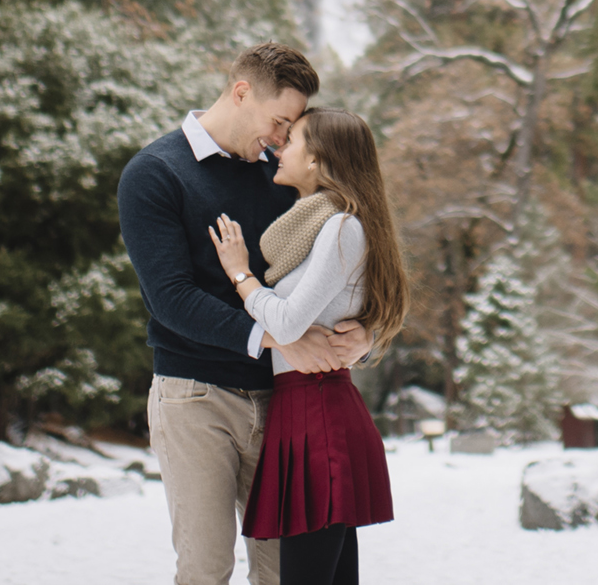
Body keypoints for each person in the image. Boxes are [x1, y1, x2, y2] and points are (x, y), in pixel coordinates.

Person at [119, 44, 374, 585]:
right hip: (195, 397)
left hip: (285, 403)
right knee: (206, 568)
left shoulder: (285, 178)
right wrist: (276, 338)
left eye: (291, 128)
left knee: (283, 571)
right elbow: (172, 298)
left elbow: (346, 266)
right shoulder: (154, 174)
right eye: (279, 121)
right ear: (241, 93)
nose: (283, 138)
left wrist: (367, 334)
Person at [209, 109, 406, 585]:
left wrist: (242, 276)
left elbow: (292, 323)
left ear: (318, 159)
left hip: (318, 416)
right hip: (303, 411)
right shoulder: (317, 228)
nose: (279, 147)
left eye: (292, 140)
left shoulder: (342, 226)